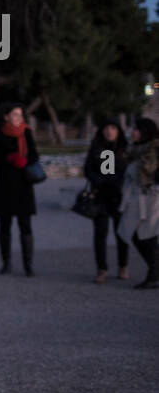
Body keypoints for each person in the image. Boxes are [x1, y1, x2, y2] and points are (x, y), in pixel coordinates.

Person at [0, 102, 39, 276]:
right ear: (6, 116)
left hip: (24, 184)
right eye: (15, 114)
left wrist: (25, 161)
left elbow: (34, 155)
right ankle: (6, 263)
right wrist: (9, 158)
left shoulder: (27, 132)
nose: (18, 118)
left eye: (20, 114)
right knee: (4, 225)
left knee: (25, 225)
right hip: (5, 184)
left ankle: (28, 264)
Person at [84, 120, 129, 283]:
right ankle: (101, 268)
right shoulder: (98, 148)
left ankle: (123, 265)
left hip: (119, 196)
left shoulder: (124, 149)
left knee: (121, 234)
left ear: (118, 131)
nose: (109, 131)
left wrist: (117, 182)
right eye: (106, 128)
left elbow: (128, 171)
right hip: (101, 196)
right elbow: (88, 169)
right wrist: (100, 180)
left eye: (113, 128)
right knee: (100, 234)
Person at [119, 117, 159, 290]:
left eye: (136, 129)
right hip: (126, 198)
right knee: (128, 233)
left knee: (145, 236)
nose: (132, 132)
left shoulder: (154, 149)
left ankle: (150, 273)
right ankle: (103, 269)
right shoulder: (121, 149)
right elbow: (105, 168)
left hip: (150, 197)